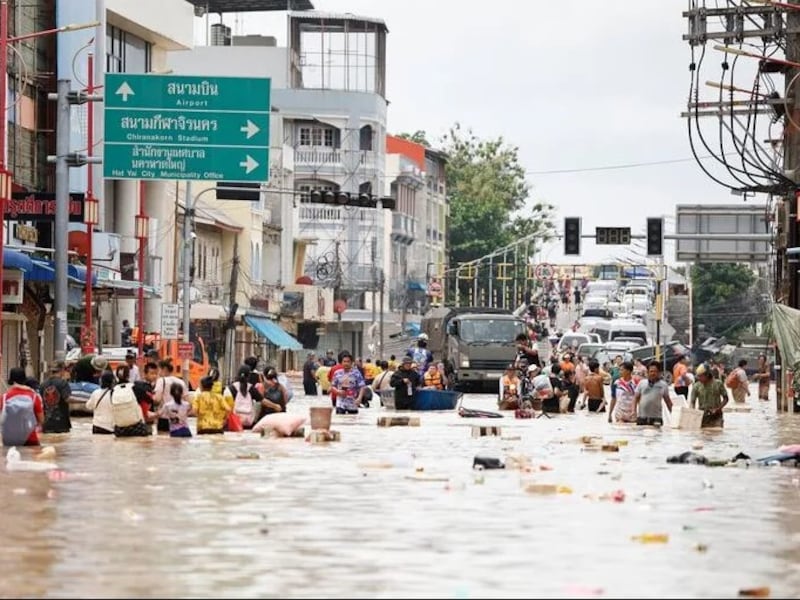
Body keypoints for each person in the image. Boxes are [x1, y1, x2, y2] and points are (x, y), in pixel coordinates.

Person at [1, 367, 44, 446]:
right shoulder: (34, 397)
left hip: (10, 439)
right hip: (30, 438)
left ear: (11, 379)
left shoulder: (4, 398)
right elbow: (41, 420)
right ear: (24, 379)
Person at [633, 361, 672, 427]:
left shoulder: (663, 385)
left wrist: (674, 414)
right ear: (648, 372)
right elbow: (635, 398)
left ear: (659, 373)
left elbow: (668, 401)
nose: (653, 373)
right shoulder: (642, 383)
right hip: (642, 418)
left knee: (656, 436)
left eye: (655, 371)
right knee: (640, 436)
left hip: (656, 418)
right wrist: (634, 411)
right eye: (651, 371)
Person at [39, 360, 72, 434]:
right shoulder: (63, 383)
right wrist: (83, 400)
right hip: (61, 423)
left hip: (46, 423)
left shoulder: (43, 384)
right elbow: (67, 399)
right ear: (62, 369)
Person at [690, 363, 728, 428]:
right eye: (698, 376)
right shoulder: (696, 386)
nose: (698, 378)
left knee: (717, 433)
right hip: (702, 417)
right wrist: (693, 415)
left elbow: (726, 398)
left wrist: (718, 409)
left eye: (700, 376)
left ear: (707, 375)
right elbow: (692, 402)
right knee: (703, 434)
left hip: (717, 417)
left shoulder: (718, 384)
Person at [85, 370, 116, 435]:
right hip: (110, 427)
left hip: (97, 426)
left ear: (101, 381)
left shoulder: (95, 393)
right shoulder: (115, 393)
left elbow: (88, 406)